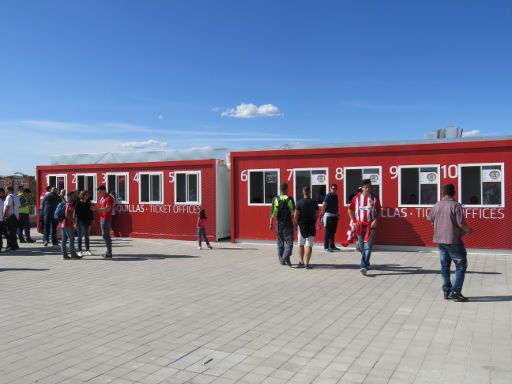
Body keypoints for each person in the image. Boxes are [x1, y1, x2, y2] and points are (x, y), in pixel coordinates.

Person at [428, 183, 473, 302]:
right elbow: (461, 224)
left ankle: (446, 291)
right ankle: (455, 291)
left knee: (445, 266)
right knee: (461, 265)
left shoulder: (436, 205)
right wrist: (469, 230)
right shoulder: (456, 206)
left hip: (440, 241)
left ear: (442, 193)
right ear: (454, 193)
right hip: (453, 241)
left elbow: (430, 220)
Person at [348, 179, 382, 276]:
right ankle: (366, 262)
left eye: (369, 187)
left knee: (367, 246)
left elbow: (379, 211)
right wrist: (353, 221)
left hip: (371, 227)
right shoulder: (356, 198)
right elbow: (350, 210)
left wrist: (376, 220)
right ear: (362, 188)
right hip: (359, 226)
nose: (368, 189)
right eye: (366, 187)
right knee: (362, 247)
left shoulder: (375, 198)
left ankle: (363, 266)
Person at [269, 182, 295, 266]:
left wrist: (270, 224)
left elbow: (273, 213)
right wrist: (295, 224)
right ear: (286, 189)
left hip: (278, 223)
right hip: (288, 223)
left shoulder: (275, 199)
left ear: (280, 190)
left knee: (280, 242)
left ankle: (282, 260)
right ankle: (286, 256)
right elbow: (293, 213)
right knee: (289, 241)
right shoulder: (290, 199)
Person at [294, 186, 319, 269]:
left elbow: (296, 215)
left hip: (301, 225)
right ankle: (307, 264)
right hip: (311, 225)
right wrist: (314, 220)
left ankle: (301, 262)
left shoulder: (299, 202)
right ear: (310, 192)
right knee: (309, 245)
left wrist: (296, 224)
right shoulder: (314, 202)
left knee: (301, 244)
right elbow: (317, 214)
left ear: (303, 192)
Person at [94, 185, 114, 258]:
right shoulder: (104, 198)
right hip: (102, 218)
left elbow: (108, 209)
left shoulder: (109, 198)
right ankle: (108, 252)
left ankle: (109, 252)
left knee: (106, 235)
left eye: (99, 192)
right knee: (105, 235)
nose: (99, 194)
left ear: (103, 190)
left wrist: (98, 210)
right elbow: (103, 208)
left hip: (106, 219)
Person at [60, 191, 80, 260]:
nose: (74, 197)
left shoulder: (66, 204)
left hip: (63, 224)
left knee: (64, 240)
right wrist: (74, 221)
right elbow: (67, 215)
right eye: (73, 196)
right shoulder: (69, 205)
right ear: (69, 196)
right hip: (68, 224)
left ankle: (64, 255)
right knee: (71, 239)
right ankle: (73, 254)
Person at [321, 183, 340, 252]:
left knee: (333, 232)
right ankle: (326, 247)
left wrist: (337, 214)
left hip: (334, 216)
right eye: (333, 188)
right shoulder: (328, 196)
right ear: (330, 189)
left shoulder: (336, 196)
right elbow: (324, 205)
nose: (334, 190)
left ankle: (332, 246)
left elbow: (336, 205)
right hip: (328, 216)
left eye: (335, 189)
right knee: (328, 232)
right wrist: (322, 213)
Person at [75, 190, 94, 256]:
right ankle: (80, 251)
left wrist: (92, 219)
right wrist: (76, 222)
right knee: (80, 236)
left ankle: (87, 250)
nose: (88, 196)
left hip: (88, 221)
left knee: (87, 236)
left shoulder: (88, 202)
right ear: (82, 195)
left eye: (88, 195)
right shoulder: (78, 203)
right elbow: (76, 214)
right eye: (86, 195)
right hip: (80, 221)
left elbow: (91, 211)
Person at [3, 186, 20, 252]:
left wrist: (4, 215)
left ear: (8, 190)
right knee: (14, 232)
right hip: (16, 216)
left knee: (10, 232)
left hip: (10, 216)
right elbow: (18, 206)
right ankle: (15, 245)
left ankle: (11, 246)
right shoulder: (16, 197)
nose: (5, 191)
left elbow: (7, 207)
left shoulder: (9, 197)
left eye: (6, 190)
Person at [0, 188, 7, 252]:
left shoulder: (1, 201)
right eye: (2, 193)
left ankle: (1, 247)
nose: (3, 194)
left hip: (1, 220)